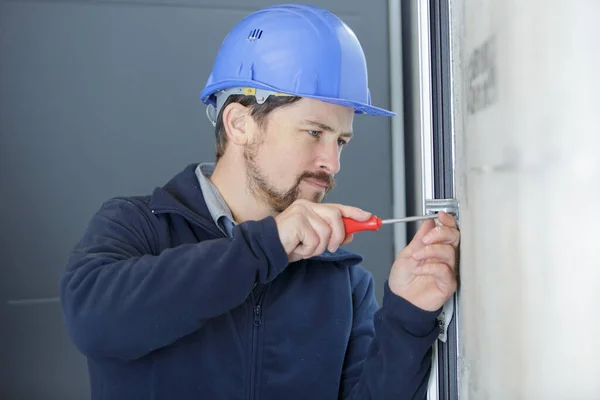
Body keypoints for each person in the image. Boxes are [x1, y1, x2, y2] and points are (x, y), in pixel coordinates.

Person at [60, 4, 459, 400]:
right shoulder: (139, 226)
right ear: (239, 124)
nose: (331, 163)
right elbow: (94, 323)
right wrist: (264, 247)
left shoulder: (342, 283)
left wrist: (407, 315)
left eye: (340, 141)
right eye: (314, 132)